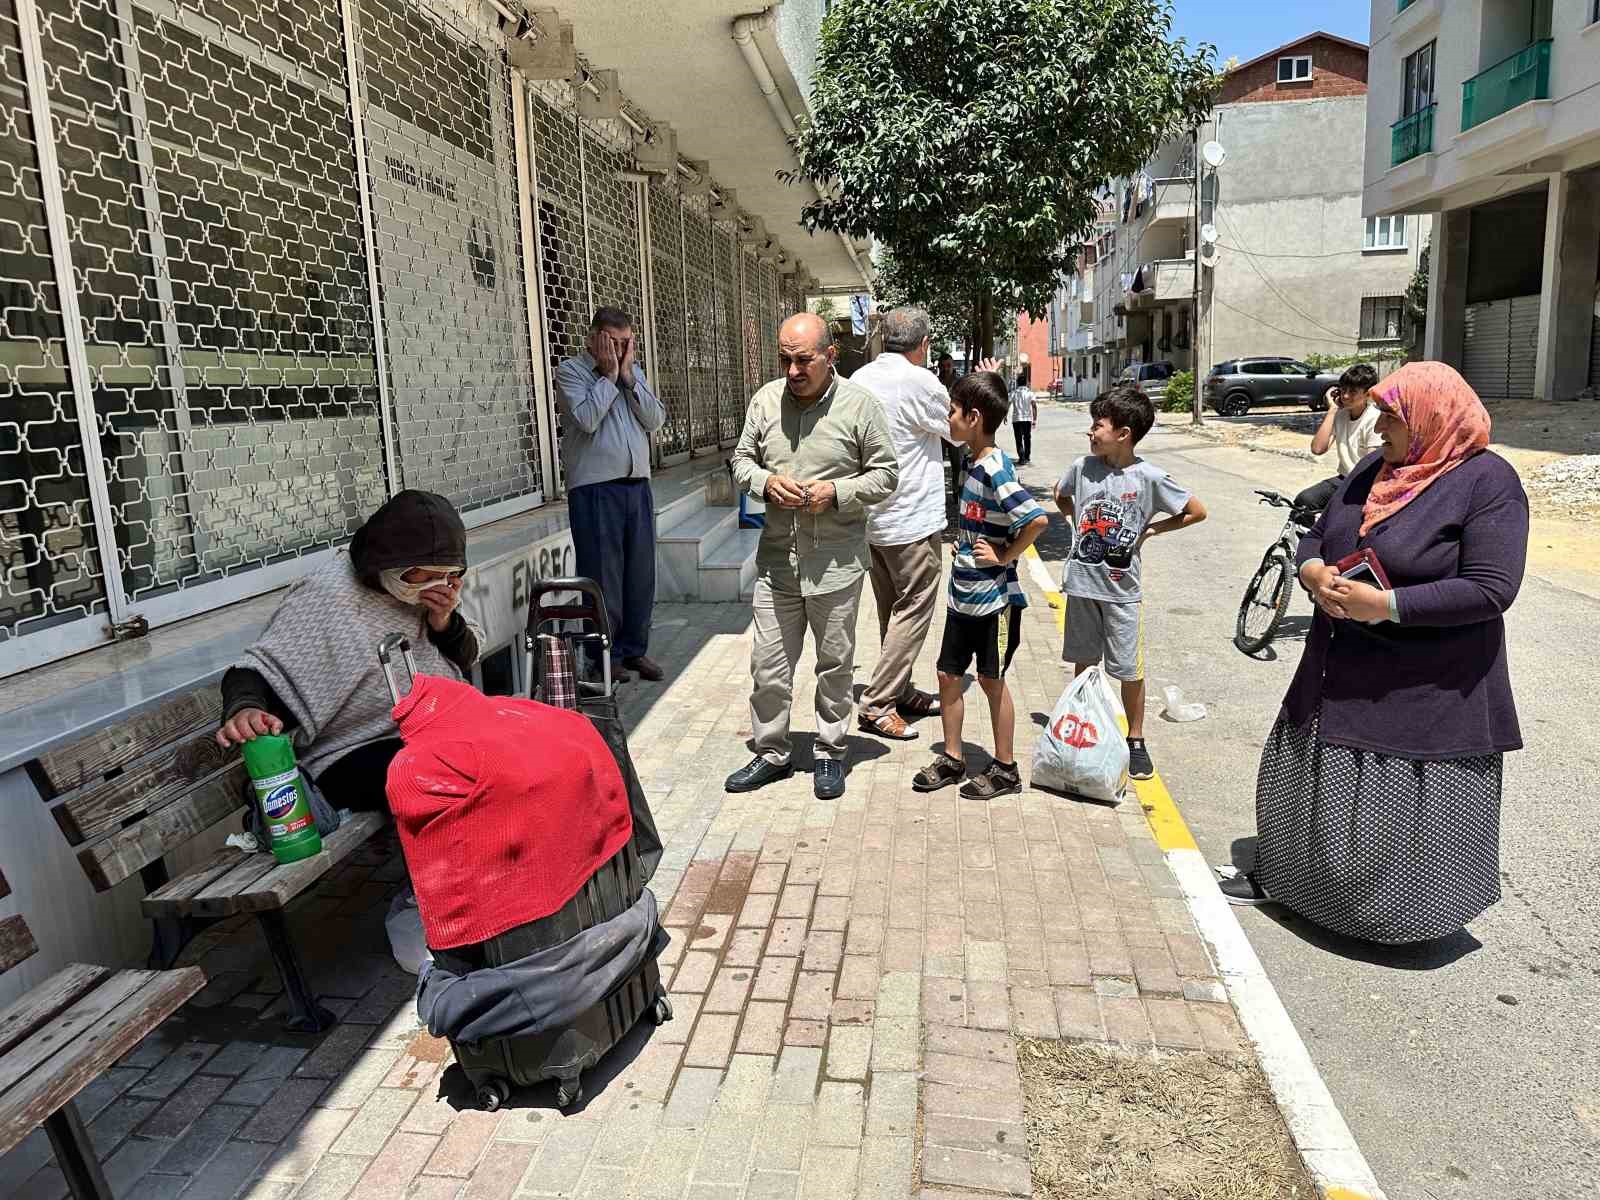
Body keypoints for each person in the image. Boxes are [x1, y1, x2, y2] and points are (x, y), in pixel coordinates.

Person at [1221, 363, 1528, 946]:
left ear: (1432, 418)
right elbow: (1320, 534)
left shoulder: (1487, 483)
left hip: (1423, 686)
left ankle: (1393, 923)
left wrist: (1386, 606)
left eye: (1393, 415)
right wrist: (1312, 570)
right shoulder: (1372, 468)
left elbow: (1492, 589)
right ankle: (1293, 886)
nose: (1380, 425)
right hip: (1338, 665)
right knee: (1312, 790)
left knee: (1395, 816)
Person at [217, 490, 483, 810]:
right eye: (428, 575)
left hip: (431, 732)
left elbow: (464, 658)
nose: (439, 585)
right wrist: (245, 708)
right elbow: (255, 670)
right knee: (448, 776)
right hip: (350, 752)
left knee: (509, 746)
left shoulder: (436, 592)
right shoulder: (328, 595)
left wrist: (445, 621)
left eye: (449, 576)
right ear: (394, 564)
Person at [726, 312, 898, 800]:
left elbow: (887, 476)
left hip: (836, 566)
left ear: (830, 355)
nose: (793, 370)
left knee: (835, 666)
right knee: (769, 668)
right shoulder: (765, 402)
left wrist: (837, 492)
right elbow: (740, 460)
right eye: (785, 359)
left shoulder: (860, 407)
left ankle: (830, 752)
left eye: (803, 359)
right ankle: (772, 751)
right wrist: (763, 482)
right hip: (778, 563)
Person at [1054, 385, 1206, 781]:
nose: (1090, 432)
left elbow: (1195, 511)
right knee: (1084, 662)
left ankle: (1135, 739)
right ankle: (1083, 724)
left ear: (1123, 434)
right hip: (1083, 585)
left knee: (1128, 668)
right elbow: (1060, 495)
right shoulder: (1082, 468)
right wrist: (1075, 521)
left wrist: (1152, 530)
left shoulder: (1150, 477)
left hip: (1122, 592)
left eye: (1097, 426)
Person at [913, 369, 1048, 800]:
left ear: (972, 417)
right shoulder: (972, 461)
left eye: (952, 411)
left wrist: (1005, 556)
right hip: (963, 597)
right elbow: (986, 522)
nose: (947, 418)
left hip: (995, 603)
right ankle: (953, 758)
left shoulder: (993, 467)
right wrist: (970, 547)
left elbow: (1035, 518)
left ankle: (1005, 768)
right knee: (948, 675)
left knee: (991, 681)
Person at [849, 307, 953, 741]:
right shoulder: (921, 382)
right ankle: (878, 704)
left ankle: (900, 688)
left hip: (871, 520)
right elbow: (959, 432)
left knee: (892, 613)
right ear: (923, 345)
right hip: (911, 521)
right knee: (912, 612)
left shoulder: (858, 381)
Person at [555, 307, 667, 683]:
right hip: (595, 489)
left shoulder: (633, 373)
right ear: (592, 339)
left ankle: (635, 649)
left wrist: (630, 378)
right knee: (603, 575)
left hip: (636, 485)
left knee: (639, 574)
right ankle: (603, 655)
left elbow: (655, 420)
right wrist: (607, 376)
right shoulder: (572, 371)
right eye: (611, 342)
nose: (618, 350)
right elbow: (586, 418)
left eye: (624, 343)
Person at [1294, 362, 1384, 514]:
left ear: (1368, 394)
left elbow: (1370, 468)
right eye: (1343, 390)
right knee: (1304, 501)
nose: (1346, 396)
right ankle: (1310, 538)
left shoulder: (1374, 419)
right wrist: (1333, 410)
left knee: (1337, 513)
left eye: (1353, 391)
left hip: (1364, 483)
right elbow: (1317, 449)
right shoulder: (1341, 415)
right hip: (1344, 479)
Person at [937, 352, 966, 506]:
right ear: (939, 367)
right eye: (943, 366)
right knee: (937, 463)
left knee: (958, 464)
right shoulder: (934, 383)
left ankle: (957, 493)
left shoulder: (960, 383)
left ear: (953, 365)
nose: (946, 368)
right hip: (938, 430)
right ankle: (938, 495)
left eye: (948, 365)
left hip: (957, 429)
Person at [1008, 366, 1036, 465]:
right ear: (1026, 383)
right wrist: (1034, 419)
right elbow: (1034, 406)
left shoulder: (1014, 393)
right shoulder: (1030, 393)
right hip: (1027, 419)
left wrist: (1005, 416)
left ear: (1018, 383)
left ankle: (1022, 457)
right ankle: (1027, 457)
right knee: (1027, 438)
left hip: (1016, 419)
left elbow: (1008, 404)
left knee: (1018, 439)